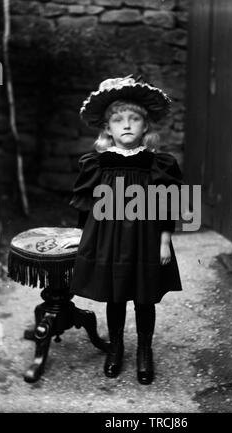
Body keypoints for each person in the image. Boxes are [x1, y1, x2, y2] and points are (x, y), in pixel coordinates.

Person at [67, 75, 183, 385]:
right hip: (109, 240)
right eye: (118, 120)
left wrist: (163, 243)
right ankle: (115, 347)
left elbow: (169, 208)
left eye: (134, 119)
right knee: (114, 295)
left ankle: (144, 350)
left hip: (146, 239)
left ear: (146, 126)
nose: (127, 125)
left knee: (145, 296)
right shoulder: (96, 164)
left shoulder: (159, 164)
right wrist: (84, 242)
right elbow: (87, 208)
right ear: (107, 128)